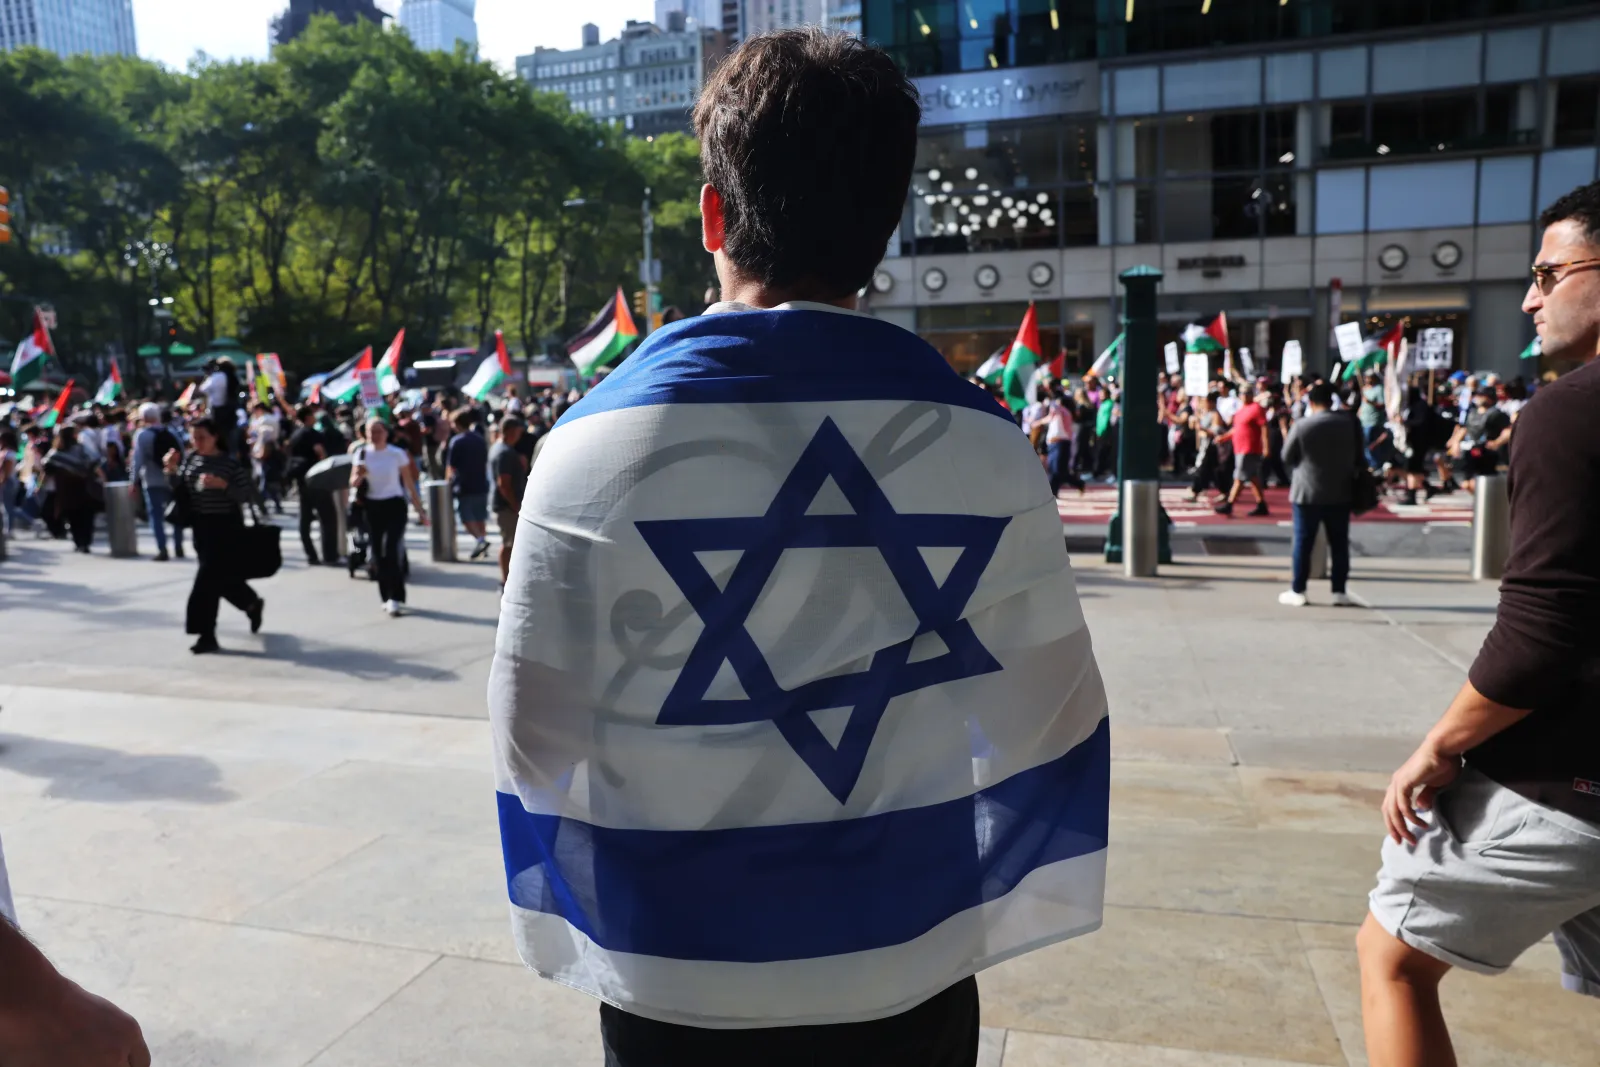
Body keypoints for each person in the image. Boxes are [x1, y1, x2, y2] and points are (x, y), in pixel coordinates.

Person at [491, 29, 1109, 1067]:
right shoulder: (987, 447)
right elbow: (1046, 717)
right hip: (902, 966)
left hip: (677, 974)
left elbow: (532, 735)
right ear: (883, 228)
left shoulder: (585, 447)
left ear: (712, 215)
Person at [1357, 178, 1600, 1067]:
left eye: (1549, 273)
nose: (1531, 299)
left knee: (1391, 958)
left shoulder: (1569, 410)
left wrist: (1439, 744)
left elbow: (1542, 630)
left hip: (1566, 779)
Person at [164, 417, 263, 654]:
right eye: (194, 438)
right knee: (220, 579)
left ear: (215, 437)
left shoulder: (229, 464)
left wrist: (223, 486)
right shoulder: (192, 460)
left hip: (225, 528)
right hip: (201, 527)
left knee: (205, 583)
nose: (197, 442)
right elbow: (181, 490)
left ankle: (206, 634)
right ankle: (250, 603)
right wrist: (171, 470)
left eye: (202, 438)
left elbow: (246, 494)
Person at [1277, 382, 1363, 608]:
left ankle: (1299, 589)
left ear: (1311, 402)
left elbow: (1286, 456)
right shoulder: (1348, 424)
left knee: (1303, 542)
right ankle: (1339, 591)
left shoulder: (1303, 425)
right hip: (1341, 490)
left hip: (1307, 491)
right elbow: (1358, 455)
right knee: (1339, 543)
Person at [351, 417, 427, 617]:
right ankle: (385, 596)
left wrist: (420, 510)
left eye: (378, 431)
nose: (374, 435)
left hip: (395, 505)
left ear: (386, 433)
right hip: (372, 506)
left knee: (391, 549)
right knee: (378, 553)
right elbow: (353, 482)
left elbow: (409, 484)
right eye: (370, 431)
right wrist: (359, 474)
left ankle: (396, 596)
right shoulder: (361, 453)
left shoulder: (397, 454)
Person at [129, 402, 185, 561]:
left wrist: (133, 481)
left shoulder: (142, 435)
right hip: (172, 479)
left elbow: (137, 460)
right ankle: (178, 546)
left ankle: (162, 549)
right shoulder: (172, 432)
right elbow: (182, 454)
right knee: (176, 512)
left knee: (156, 516)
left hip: (151, 480)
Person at [287, 405, 338, 565]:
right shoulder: (313, 434)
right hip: (317, 481)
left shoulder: (295, 435)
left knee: (305, 519)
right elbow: (320, 452)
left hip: (301, 481)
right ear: (308, 417)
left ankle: (311, 554)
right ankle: (330, 555)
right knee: (328, 519)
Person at [42, 427, 101, 553]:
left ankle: (79, 542)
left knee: (73, 517)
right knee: (85, 517)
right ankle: (85, 542)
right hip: (83, 488)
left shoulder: (56, 453)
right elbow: (94, 461)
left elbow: (47, 468)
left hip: (67, 491)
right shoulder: (81, 449)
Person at [1215, 384, 1269, 517]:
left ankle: (1229, 504)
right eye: (1243, 393)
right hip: (1239, 448)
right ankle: (1261, 504)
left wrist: (1266, 447)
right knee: (1252, 477)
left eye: (1248, 392)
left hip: (1249, 448)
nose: (1245, 395)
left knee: (1239, 476)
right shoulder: (1240, 410)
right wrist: (1224, 437)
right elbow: (1237, 429)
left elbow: (1264, 428)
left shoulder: (1256, 408)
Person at [444, 410, 491, 560]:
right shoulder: (479, 439)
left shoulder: (457, 441)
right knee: (479, 516)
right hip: (480, 482)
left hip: (464, 485)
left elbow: (451, 467)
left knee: (465, 517)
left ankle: (480, 541)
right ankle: (482, 544)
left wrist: (447, 483)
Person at [488, 415, 527, 588]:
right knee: (509, 544)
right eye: (518, 432)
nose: (520, 435)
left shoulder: (500, 448)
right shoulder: (504, 452)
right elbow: (503, 484)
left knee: (510, 543)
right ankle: (506, 581)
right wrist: (515, 506)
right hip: (507, 507)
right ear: (511, 431)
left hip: (505, 505)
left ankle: (507, 580)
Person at [1042, 384, 1084, 496]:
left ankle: (1055, 492)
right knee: (1055, 470)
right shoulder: (1059, 413)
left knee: (1057, 470)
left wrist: (1050, 391)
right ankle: (1056, 491)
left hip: (1061, 443)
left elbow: (1055, 408)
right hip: (1053, 443)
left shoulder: (1064, 412)